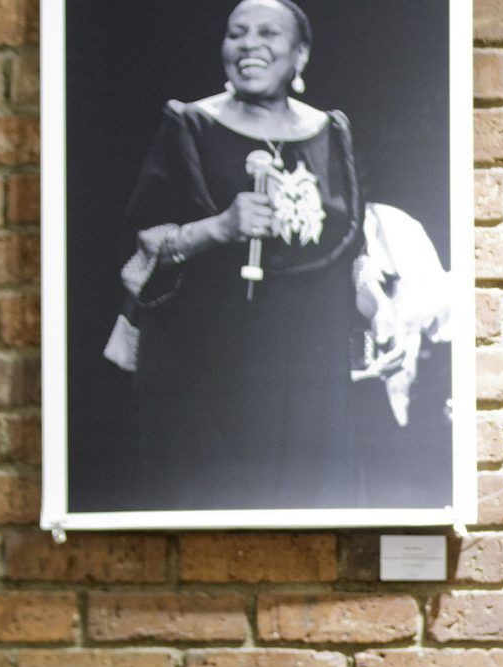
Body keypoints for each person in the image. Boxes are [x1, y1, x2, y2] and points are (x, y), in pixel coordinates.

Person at [108, 0, 366, 510]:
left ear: (300, 54)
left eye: (268, 33)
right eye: (237, 33)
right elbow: (142, 244)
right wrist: (221, 227)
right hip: (206, 362)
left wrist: (371, 295)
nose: (249, 44)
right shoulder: (189, 125)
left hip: (306, 367)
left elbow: (352, 240)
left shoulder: (331, 131)